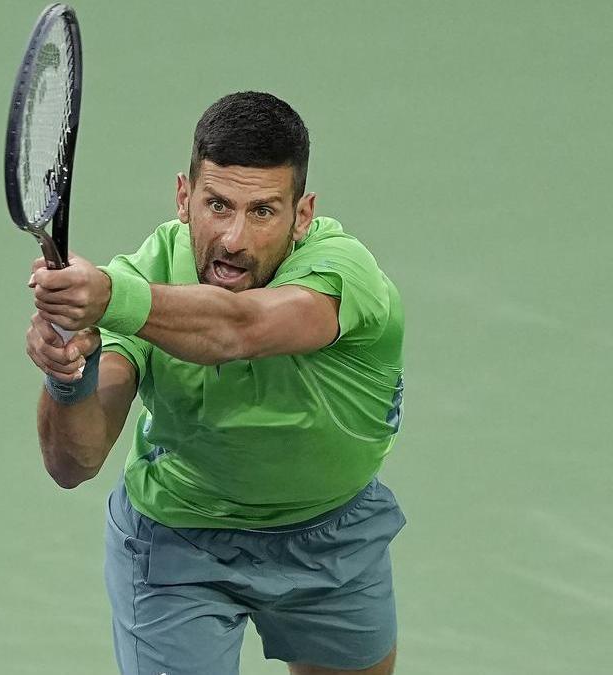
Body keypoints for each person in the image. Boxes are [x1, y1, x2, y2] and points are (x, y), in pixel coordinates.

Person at [24, 92, 406, 675]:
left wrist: (106, 299)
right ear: (185, 197)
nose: (233, 239)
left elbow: (241, 329)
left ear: (302, 215)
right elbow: (73, 463)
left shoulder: (342, 271)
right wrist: (69, 374)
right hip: (179, 538)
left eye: (263, 212)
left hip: (332, 535)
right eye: (218, 205)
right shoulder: (146, 278)